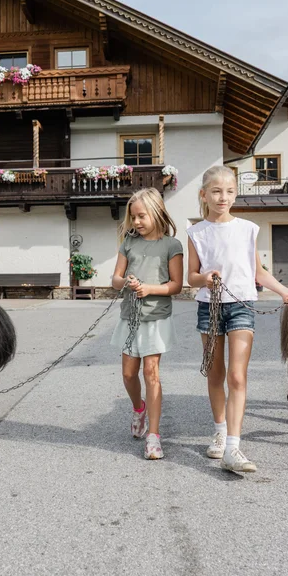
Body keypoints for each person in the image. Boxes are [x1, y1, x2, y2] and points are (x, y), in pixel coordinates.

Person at [186, 166, 288, 473]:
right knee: (215, 374)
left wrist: (285, 292)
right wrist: (204, 278)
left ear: (235, 194)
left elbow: (258, 272)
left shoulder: (248, 229)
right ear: (204, 195)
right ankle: (220, 431)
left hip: (242, 306)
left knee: (237, 376)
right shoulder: (196, 233)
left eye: (229, 191)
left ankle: (233, 447)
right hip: (209, 308)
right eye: (216, 191)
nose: (223, 197)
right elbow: (191, 277)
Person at [110, 188, 184, 460]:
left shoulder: (172, 245)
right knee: (129, 374)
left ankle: (153, 436)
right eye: (133, 217)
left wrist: (150, 288)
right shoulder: (128, 242)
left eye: (142, 216)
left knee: (151, 372)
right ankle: (138, 408)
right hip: (130, 316)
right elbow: (115, 279)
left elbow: (176, 285)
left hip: (156, 316)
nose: (137, 221)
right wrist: (126, 281)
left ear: (156, 212)